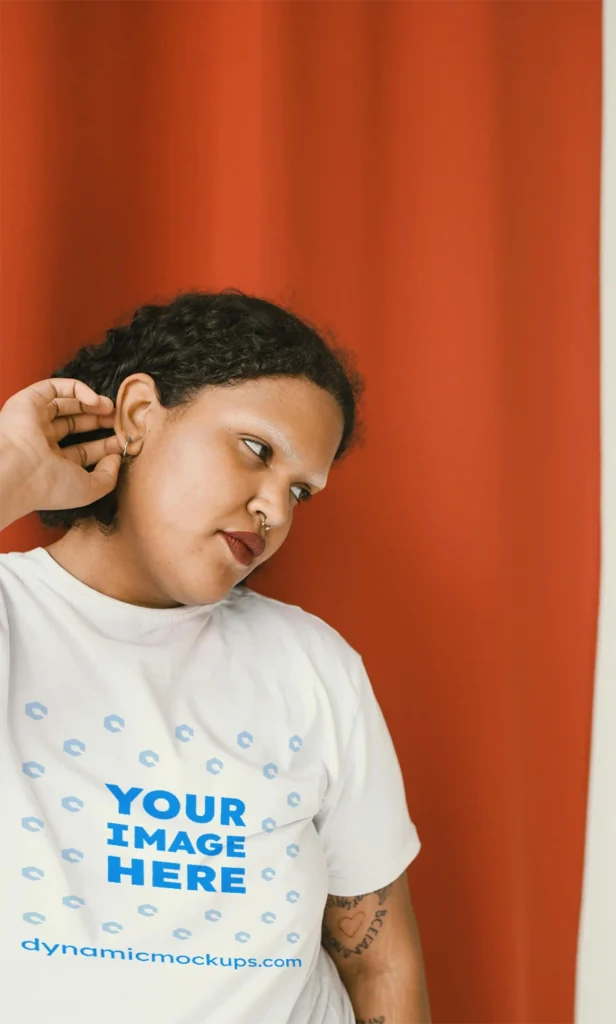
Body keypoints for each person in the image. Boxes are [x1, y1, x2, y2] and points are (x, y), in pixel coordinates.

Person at [0, 291, 430, 1024]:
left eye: (300, 491)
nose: (276, 510)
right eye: (256, 450)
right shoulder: (13, 614)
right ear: (139, 414)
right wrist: (13, 465)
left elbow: (380, 958)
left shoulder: (310, 664)